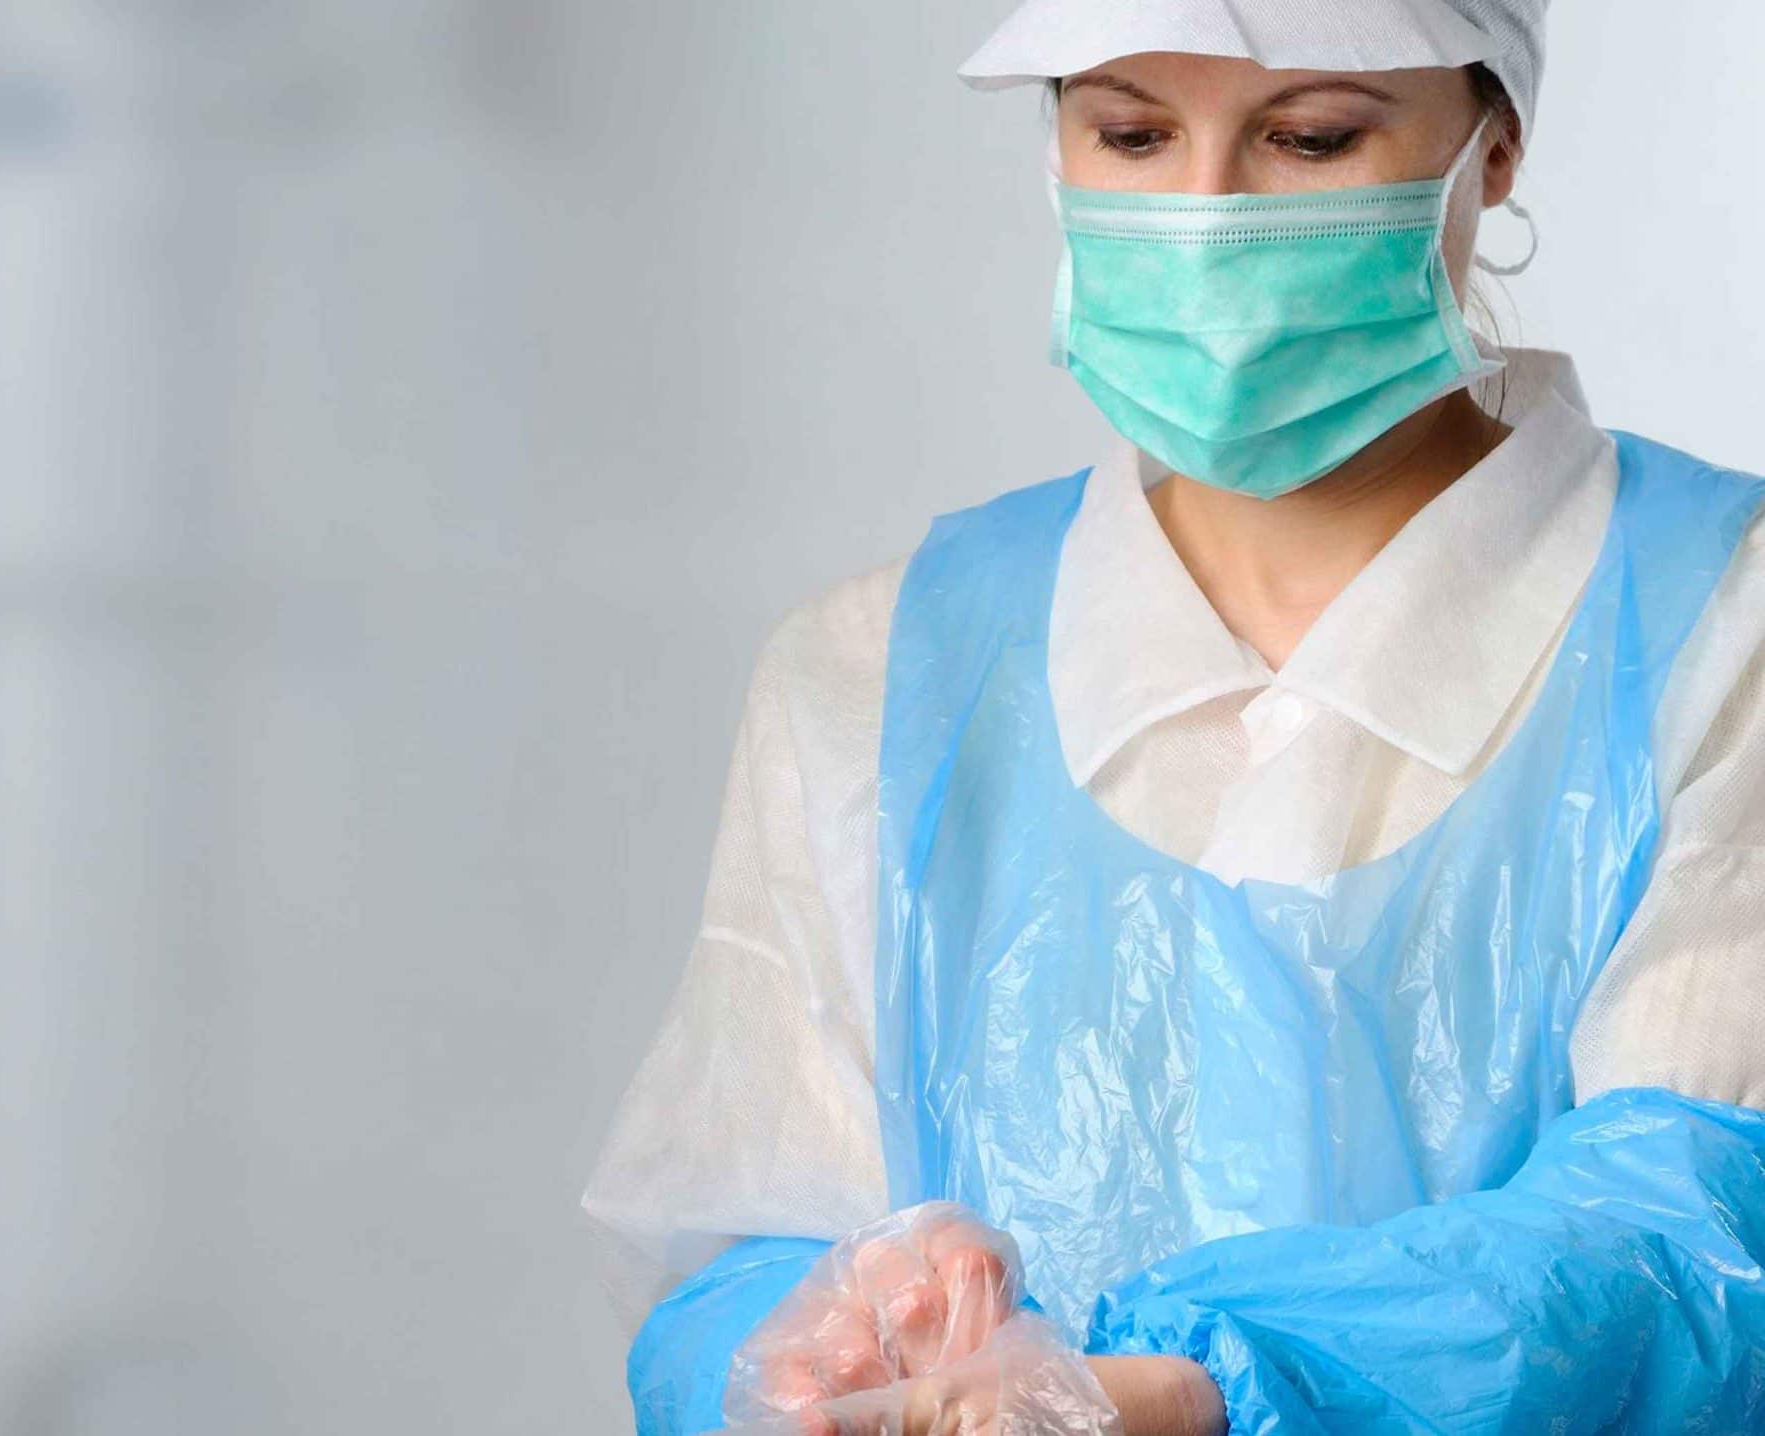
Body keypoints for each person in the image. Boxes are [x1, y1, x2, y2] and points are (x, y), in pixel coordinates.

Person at [580, 3, 1765, 1433]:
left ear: (1494, 148)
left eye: (1310, 139)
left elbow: (1692, 1234)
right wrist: (826, 1346)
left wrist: (1211, 1388)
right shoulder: (878, 668)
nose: (1206, 218)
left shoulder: (1726, 622)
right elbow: (749, 1243)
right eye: (1131, 134)